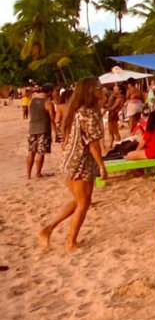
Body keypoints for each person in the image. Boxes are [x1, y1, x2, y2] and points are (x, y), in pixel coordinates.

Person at [38, 77, 108, 251]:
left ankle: (48, 229)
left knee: (80, 201)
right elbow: (92, 143)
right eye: (99, 88)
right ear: (91, 91)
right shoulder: (88, 112)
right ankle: (70, 242)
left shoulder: (77, 110)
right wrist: (101, 166)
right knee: (83, 203)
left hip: (70, 161)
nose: (102, 90)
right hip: (80, 162)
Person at [27, 84, 57, 179]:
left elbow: (30, 113)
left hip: (32, 128)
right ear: (49, 92)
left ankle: (28, 175)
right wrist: (55, 131)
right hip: (43, 129)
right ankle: (38, 173)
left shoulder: (32, 100)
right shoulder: (48, 103)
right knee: (41, 152)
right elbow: (53, 119)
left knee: (31, 151)